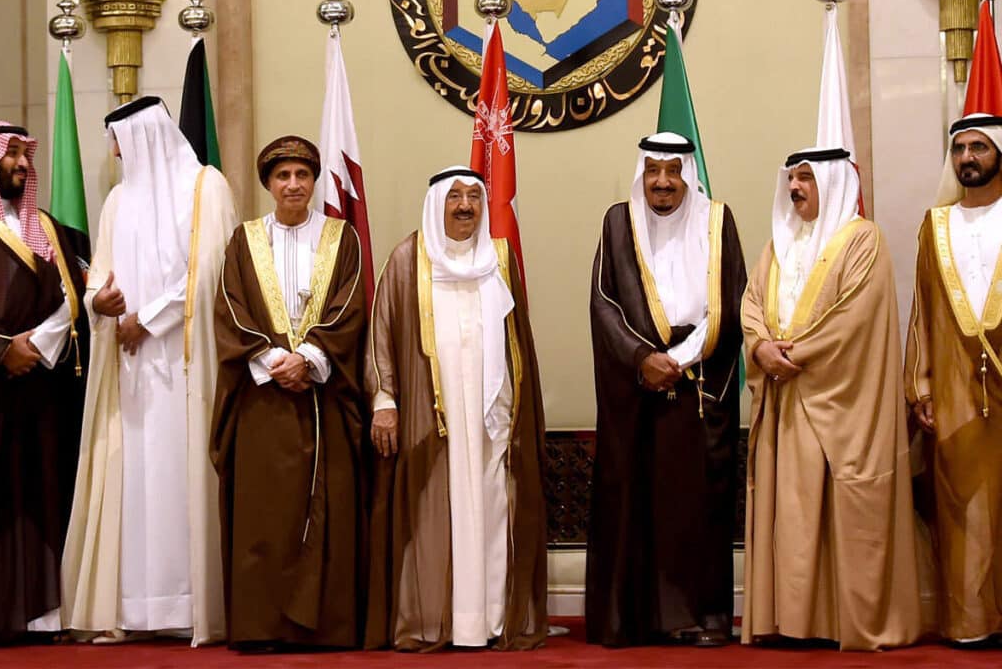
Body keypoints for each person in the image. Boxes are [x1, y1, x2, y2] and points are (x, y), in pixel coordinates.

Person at [61, 97, 237, 645]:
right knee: (133, 479)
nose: (113, 151)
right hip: (129, 371)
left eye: (117, 140)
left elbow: (213, 271)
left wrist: (150, 319)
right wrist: (102, 305)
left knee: (178, 474)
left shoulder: (207, 187)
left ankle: (190, 608)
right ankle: (134, 609)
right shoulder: (117, 201)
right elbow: (99, 276)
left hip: (186, 365)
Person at [740, 147, 920, 650]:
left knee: (838, 509)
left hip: (840, 401)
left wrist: (788, 354)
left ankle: (839, 621)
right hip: (783, 399)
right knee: (790, 514)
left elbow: (853, 318)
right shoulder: (777, 244)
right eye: (792, 179)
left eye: (806, 179)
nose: (795, 188)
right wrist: (758, 347)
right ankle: (790, 621)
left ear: (834, 185)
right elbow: (751, 303)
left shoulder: (863, 241)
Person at [365, 167, 547, 650]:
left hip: (491, 415)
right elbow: (380, 336)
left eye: (473, 197)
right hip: (433, 416)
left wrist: (515, 411)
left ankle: (488, 620)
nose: (465, 206)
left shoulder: (498, 260)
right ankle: (433, 621)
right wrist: (385, 401)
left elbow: (519, 343)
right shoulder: (407, 260)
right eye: (455, 197)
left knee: (492, 510)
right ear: (436, 203)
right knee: (433, 514)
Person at [586, 132, 746, 648]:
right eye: (652, 171)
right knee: (636, 499)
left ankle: (702, 616)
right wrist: (642, 359)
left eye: (671, 172)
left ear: (686, 176)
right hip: (637, 383)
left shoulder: (717, 221)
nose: (661, 182)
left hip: (697, 378)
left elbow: (730, 300)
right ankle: (633, 618)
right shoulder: (618, 222)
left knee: (697, 504)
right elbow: (604, 303)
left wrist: (678, 359)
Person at [210, 136, 366, 650]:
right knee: (265, 514)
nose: (293, 185)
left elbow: (350, 307)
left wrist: (311, 359)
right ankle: (262, 626)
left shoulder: (343, 238)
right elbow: (231, 308)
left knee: (330, 511)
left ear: (314, 179)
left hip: (323, 395)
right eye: (283, 177)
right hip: (264, 397)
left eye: (302, 175)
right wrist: (275, 361)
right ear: (269, 185)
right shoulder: (244, 240)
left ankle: (327, 628)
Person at [0, 122, 87, 647]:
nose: (20, 164)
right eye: (10, 155)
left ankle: (41, 617)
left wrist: (37, 346)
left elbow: (72, 295)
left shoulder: (46, 225)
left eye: (25, 155)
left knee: (43, 494)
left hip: (41, 389)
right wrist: (1, 350)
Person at [905, 112, 1002, 646]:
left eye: (979, 148)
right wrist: (920, 385)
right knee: (964, 507)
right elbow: (922, 309)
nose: (968, 157)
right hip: (955, 390)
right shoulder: (934, 225)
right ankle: (970, 623)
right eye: (960, 149)